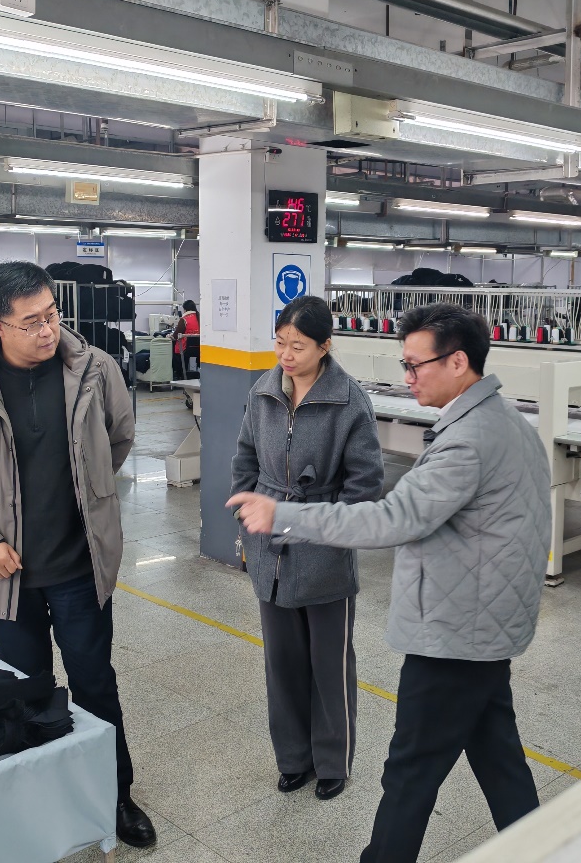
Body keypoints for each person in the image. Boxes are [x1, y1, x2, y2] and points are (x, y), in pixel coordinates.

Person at [228, 303, 551, 863]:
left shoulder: (468, 440)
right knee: (497, 755)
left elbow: (390, 517)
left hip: (456, 633)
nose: (408, 378)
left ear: (457, 362)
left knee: (410, 770)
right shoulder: (507, 422)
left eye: (415, 365)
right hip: (486, 623)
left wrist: (284, 515)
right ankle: (544, 846)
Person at [0, 261, 156, 849]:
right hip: (6, 576)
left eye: (52, 315)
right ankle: (47, 803)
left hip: (79, 569)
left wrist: (88, 495)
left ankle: (114, 795)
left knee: (95, 686)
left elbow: (119, 438)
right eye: (31, 322)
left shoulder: (94, 368)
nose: (48, 331)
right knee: (28, 693)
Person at [231, 296, 383, 801]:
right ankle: (293, 758)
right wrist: (247, 511)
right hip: (270, 548)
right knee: (282, 664)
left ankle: (333, 761)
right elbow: (245, 457)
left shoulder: (349, 402)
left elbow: (365, 484)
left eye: (298, 346)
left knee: (329, 667)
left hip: (323, 549)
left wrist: (326, 525)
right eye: (280, 343)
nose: (286, 355)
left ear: (325, 346)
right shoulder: (263, 392)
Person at [173, 299, 200, 378]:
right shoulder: (200, 317)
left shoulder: (184, 319)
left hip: (186, 349)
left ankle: (179, 374)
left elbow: (176, 335)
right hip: (199, 348)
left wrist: (170, 335)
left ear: (185, 309)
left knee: (175, 349)